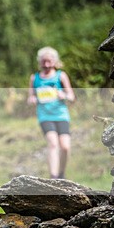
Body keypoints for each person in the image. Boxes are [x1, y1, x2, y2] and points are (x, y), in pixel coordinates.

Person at [27, 46, 75, 179]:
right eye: (43, 61)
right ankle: (53, 177)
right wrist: (32, 99)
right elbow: (30, 98)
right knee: (53, 143)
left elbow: (71, 96)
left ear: (54, 61)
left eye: (49, 61)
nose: (46, 64)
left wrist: (63, 95)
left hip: (61, 115)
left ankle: (61, 174)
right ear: (39, 62)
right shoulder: (34, 78)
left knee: (65, 146)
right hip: (45, 116)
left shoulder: (61, 76)